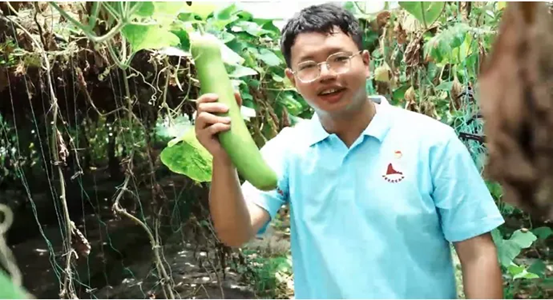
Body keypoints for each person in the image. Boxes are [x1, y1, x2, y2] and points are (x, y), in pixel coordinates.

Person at [194, 3, 505, 299]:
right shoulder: (290, 149)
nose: (326, 73)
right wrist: (224, 160)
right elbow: (236, 233)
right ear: (292, 80)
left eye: (339, 58)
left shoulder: (432, 141)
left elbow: (477, 251)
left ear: (366, 62)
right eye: (308, 66)